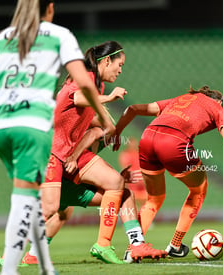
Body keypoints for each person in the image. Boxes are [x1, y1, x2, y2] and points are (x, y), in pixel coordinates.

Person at [0, 1, 114, 274]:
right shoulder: (59, 35)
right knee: (37, 203)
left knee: (33, 198)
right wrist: (103, 111)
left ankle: (43, 265)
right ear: (49, 8)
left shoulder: (3, 37)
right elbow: (84, 83)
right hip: (32, 126)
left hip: (1, 126)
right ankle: (9, 265)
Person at [42, 41, 166, 264]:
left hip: (70, 157)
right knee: (52, 209)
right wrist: (109, 100)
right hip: (55, 156)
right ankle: (18, 251)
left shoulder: (95, 85)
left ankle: (131, 244)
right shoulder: (87, 78)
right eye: (120, 65)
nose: (120, 70)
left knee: (119, 187)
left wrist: (111, 131)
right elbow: (78, 98)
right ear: (107, 60)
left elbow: (96, 128)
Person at [112, 85, 223, 257]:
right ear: (219, 102)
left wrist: (116, 133)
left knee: (154, 198)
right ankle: (174, 245)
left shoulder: (179, 99)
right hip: (173, 143)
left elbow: (132, 109)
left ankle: (134, 249)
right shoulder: (216, 107)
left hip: (147, 138)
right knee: (199, 189)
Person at [15, 127, 166, 265]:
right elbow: (94, 132)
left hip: (61, 181)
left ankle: (31, 253)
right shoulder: (92, 125)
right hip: (59, 180)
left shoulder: (86, 128)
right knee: (122, 194)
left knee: (61, 214)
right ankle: (124, 244)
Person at [118, 137, 148, 209]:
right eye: (131, 143)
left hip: (141, 181)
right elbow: (125, 168)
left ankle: (143, 217)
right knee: (132, 201)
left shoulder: (139, 154)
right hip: (133, 181)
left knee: (145, 201)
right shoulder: (125, 155)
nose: (133, 145)